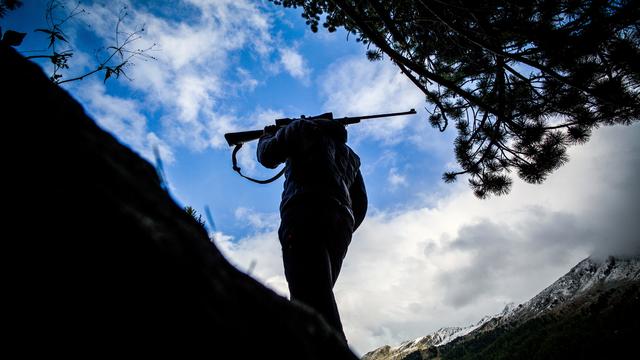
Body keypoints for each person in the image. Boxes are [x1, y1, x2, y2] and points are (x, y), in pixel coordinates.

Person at [257, 114, 367, 343]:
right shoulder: (351, 156)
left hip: (304, 212)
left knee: (311, 301)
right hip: (341, 226)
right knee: (316, 299)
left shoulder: (301, 128)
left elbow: (267, 156)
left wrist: (267, 136)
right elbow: (361, 203)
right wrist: (342, 225)